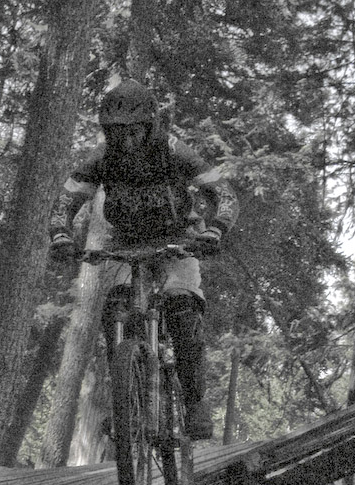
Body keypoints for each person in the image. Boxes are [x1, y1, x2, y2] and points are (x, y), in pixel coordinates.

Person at [49, 78, 238, 440]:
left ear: (150, 125)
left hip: (178, 237)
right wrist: (60, 235)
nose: (126, 141)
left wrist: (215, 230)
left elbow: (223, 193)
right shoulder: (102, 158)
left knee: (182, 306)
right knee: (116, 308)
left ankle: (195, 403)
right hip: (126, 241)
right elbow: (66, 201)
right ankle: (126, 402)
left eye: (133, 131)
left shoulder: (174, 150)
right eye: (116, 132)